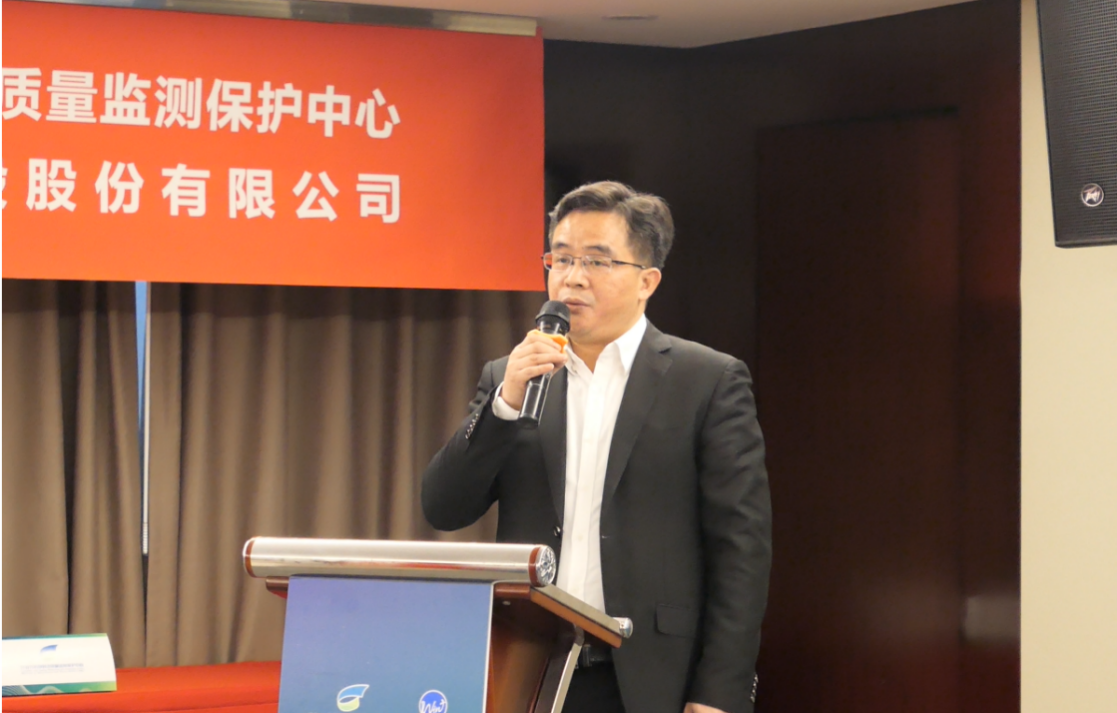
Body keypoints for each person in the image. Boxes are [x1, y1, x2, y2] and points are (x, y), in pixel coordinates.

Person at [422, 181, 771, 713]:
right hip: (529, 672)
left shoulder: (707, 381)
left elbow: (740, 550)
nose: (573, 277)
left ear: (647, 281)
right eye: (561, 259)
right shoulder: (512, 378)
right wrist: (503, 405)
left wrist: (719, 694)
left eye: (597, 261)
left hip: (649, 677)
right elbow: (443, 508)